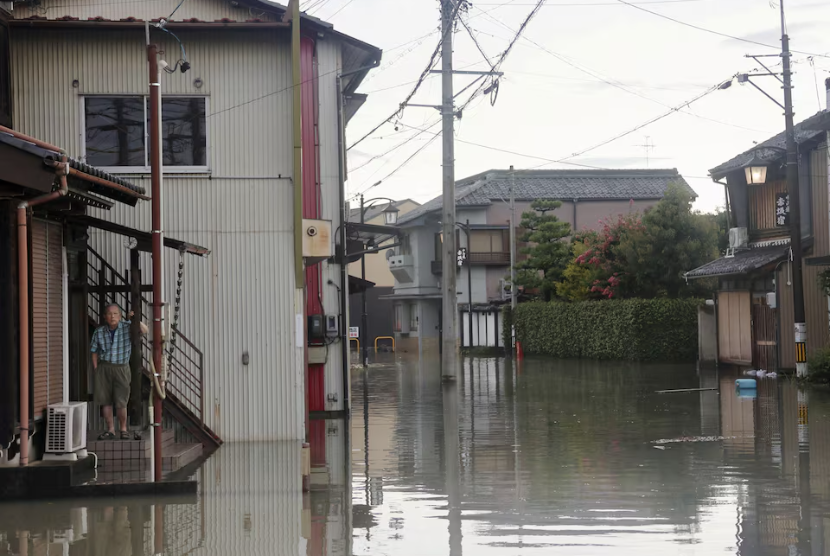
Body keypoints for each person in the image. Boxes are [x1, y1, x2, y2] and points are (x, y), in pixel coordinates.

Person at [90, 304, 148, 440]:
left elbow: (145, 330)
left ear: (120, 316)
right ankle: (110, 430)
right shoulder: (99, 332)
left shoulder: (127, 327)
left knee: (121, 401)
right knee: (105, 401)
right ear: (105, 317)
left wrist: (134, 320)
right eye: (109, 314)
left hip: (121, 367)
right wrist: (96, 368)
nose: (112, 316)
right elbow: (93, 351)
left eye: (116, 314)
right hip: (104, 367)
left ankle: (123, 429)